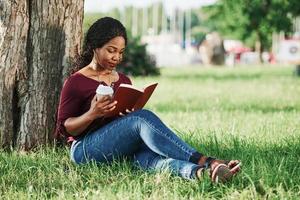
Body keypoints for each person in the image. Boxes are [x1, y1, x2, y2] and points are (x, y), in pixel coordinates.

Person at [54, 17, 240, 182]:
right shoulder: (76, 81)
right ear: (95, 46)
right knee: (141, 118)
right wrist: (92, 113)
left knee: (150, 159)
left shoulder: (124, 80)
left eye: (121, 52)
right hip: (85, 150)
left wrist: (127, 115)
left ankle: (202, 174)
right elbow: (65, 127)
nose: (117, 57)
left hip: (119, 147)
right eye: (111, 50)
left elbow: (122, 122)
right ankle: (207, 161)